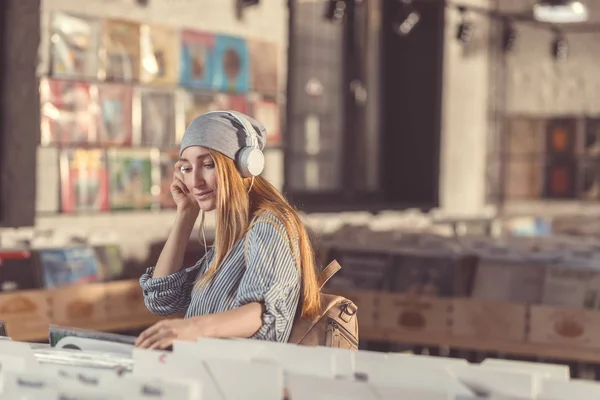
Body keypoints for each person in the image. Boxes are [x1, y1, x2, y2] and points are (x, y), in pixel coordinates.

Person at [134, 110, 321, 350]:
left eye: (208, 165)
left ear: (245, 166)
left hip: (241, 382)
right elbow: (161, 298)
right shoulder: (232, 237)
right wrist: (185, 215)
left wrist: (194, 328)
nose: (195, 181)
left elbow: (264, 314)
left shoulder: (269, 224)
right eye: (186, 168)